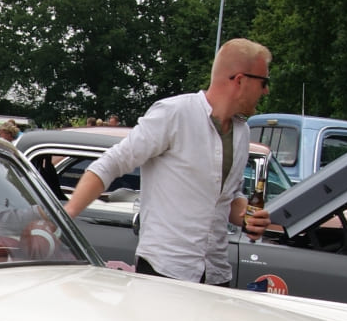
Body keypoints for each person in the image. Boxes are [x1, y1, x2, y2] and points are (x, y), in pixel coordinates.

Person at [63, 38, 272, 285]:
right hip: (165, 271)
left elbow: (229, 195)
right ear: (240, 80)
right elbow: (111, 164)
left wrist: (246, 216)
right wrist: (66, 217)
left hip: (215, 273)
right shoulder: (175, 114)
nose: (266, 91)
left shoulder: (242, 132)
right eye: (263, 82)